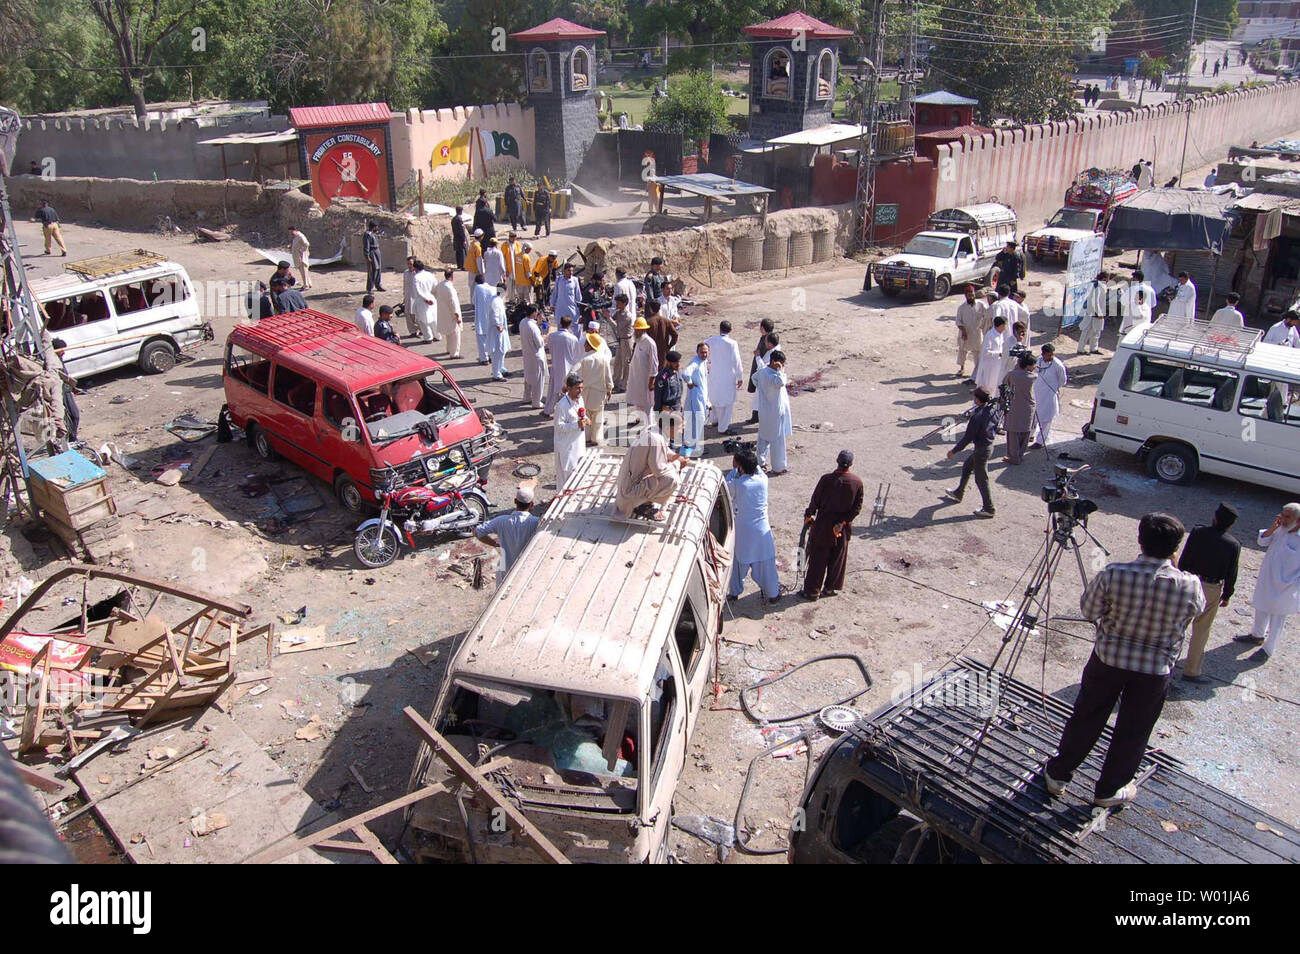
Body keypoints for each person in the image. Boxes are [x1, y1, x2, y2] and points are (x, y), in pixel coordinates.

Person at [1043, 514, 1204, 807]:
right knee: (1134, 728)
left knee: (1087, 716)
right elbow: (1195, 612)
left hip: (1108, 661)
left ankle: (1058, 774)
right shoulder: (1189, 584)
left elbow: (1089, 611)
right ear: (1175, 548)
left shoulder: (1114, 573)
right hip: (1154, 670)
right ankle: (1109, 789)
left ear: (1140, 541)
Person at [1176, 503, 1241, 683]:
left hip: (1190, 581)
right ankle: (1192, 670)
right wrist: (1227, 594)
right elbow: (1231, 572)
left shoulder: (1198, 533)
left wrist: (1181, 578)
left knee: (1178, 624)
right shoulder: (1233, 545)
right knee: (1201, 630)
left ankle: (1167, 660)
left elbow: (1185, 558)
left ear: (1215, 518)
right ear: (1230, 525)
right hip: (1212, 588)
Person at [1235, 503, 1300, 659]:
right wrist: (1273, 527)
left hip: (1287, 586)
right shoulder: (1279, 529)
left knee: (1278, 618)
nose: (1283, 519)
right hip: (1268, 578)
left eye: (1287, 517)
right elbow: (1262, 541)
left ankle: (1268, 650)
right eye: (1282, 515)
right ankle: (1257, 635)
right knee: (1261, 605)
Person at [800, 449, 865, 601]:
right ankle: (829, 588)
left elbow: (815, 500)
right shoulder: (857, 482)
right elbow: (857, 508)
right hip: (841, 528)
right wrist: (842, 523)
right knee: (837, 558)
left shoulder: (826, 479)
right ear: (851, 464)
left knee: (818, 559)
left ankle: (812, 591)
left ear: (837, 461)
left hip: (823, 524)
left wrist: (809, 515)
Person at [726, 450, 781, 605]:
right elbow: (755, 468)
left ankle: (734, 592)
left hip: (743, 531)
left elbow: (726, 483)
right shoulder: (763, 479)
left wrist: (735, 468)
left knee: (737, 563)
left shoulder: (737, 484)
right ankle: (773, 594)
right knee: (766, 565)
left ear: (741, 467)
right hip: (762, 530)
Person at [944, 386, 997, 518]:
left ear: (977, 400)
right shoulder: (993, 409)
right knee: (967, 466)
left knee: (981, 479)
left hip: (981, 450)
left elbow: (967, 438)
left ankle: (989, 508)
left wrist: (954, 451)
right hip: (989, 446)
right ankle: (959, 492)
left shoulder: (977, 417)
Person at [615, 422, 683, 521]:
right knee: (672, 480)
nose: (681, 431)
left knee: (670, 473)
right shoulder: (656, 439)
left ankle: (642, 502)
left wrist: (675, 457)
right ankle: (643, 506)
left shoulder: (652, 430)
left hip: (626, 486)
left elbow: (663, 451)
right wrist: (678, 464)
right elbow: (659, 470)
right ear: (669, 427)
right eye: (680, 427)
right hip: (629, 493)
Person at [475, 485, 540, 587]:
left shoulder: (502, 521)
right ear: (532, 504)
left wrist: (494, 543)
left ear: (515, 501)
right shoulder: (537, 523)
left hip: (505, 569)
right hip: (526, 571)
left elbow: (477, 532)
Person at [752, 349, 792, 475]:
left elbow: (754, 379)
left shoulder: (762, 372)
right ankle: (778, 467)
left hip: (764, 411)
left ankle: (760, 462)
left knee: (763, 438)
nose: (783, 366)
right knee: (777, 441)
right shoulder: (774, 376)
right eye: (781, 364)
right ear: (775, 362)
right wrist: (780, 370)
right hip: (774, 413)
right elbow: (781, 382)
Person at [704, 321, 744, 435]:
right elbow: (737, 361)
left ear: (719, 329)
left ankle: (714, 420)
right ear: (730, 330)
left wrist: (708, 362)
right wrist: (739, 376)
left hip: (714, 374)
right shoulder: (732, 343)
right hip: (727, 376)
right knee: (727, 404)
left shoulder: (711, 340)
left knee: (714, 398)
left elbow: (701, 349)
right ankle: (723, 428)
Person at [1001, 352, 1038, 464]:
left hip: (1014, 405)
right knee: (1025, 432)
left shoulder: (1012, 374)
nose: (1035, 367)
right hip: (1028, 406)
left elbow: (1004, 384)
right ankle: (1020, 455)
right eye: (1033, 365)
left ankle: (1013, 457)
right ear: (1028, 366)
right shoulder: (1033, 376)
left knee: (1013, 433)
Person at [578, 332, 613, 445]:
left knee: (586, 415)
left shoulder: (584, 359)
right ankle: (596, 439)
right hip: (599, 393)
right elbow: (608, 377)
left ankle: (586, 437)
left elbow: (575, 375)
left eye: (586, 343)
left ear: (590, 345)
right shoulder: (604, 359)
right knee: (598, 417)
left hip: (585, 393)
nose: (584, 346)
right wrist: (609, 389)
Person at [553, 373, 586, 491]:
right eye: (577, 388)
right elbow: (559, 427)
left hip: (579, 444)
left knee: (578, 473)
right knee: (566, 477)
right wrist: (576, 425)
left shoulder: (580, 400)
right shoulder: (561, 405)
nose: (580, 391)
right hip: (567, 447)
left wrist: (586, 419)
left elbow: (582, 415)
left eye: (582, 388)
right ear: (569, 388)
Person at [544, 315, 583, 415]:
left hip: (556, 365)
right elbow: (577, 354)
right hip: (568, 367)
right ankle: (567, 412)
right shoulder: (573, 338)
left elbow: (549, 349)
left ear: (560, 323)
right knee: (568, 391)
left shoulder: (552, 336)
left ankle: (548, 410)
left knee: (553, 391)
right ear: (569, 325)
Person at [1032, 344, 1067, 447]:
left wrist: (1053, 387)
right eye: (1048, 355)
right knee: (1034, 415)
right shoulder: (1038, 361)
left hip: (1049, 394)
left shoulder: (1058, 365)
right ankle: (1030, 435)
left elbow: (1062, 380)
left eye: (1052, 354)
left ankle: (1041, 441)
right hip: (1037, 392)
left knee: (1046, 418)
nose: (1051, 357)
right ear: (1043, 354)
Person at [627, 316, 659, 423]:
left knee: (647, 405)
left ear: (643, 329)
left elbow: (654, 364)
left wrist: (651, 382)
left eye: (638, 329)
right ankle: (640, 421)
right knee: (638, 402)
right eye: (635, 329)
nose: (635, 331)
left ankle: (649, 427)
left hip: (646, 380)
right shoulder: (638, 341)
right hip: (636, 377)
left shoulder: (650, 343)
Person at [680, 343, 709, 457]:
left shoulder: (703, 362)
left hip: (701, 397)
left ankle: (696, 447)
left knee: (698, 421)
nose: (704, 354)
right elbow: (686, 373)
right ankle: (693, 448)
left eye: (706, 352)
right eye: (702, 352)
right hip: (696, 397)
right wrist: (690, 383)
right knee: (697, 421)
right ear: (697, 352)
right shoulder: (695, 363)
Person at [519, 304, 549, 410]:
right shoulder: (533, 327)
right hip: (536, 355)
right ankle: (536, 401)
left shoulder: (523, 322)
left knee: (528, 376)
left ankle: (527, 397)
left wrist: (539, 322)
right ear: (533, 313)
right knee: (538, 379)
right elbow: (539, 342)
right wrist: (544, 337)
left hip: (527, 354)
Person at [955, 285, 987, 381]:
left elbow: (987, 315)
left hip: (977, 333)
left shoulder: (981, 305)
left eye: (972, 295)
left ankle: (977, 371)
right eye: (969, 296)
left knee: (977, 352)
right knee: (962, 351)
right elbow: (958, 322)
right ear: (966, 296)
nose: (971, 297)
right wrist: (963, 331)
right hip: (965, 333)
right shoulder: (961, 308)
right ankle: (962, 368)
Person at [974, 315, 1008, 396]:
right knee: (988, 385)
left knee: (995, 385)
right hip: (989, 366)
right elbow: (986, 352)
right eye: (1005, 325)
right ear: (1001, 325)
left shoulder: (1000, 334)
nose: (1006, 327)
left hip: (997, 364)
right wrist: (999, 354)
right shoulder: (990, 335)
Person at [654, 349, 684, 437]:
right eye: (675, 362)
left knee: (676, 433)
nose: (678, 364)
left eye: (678, 362)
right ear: (668, 362)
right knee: (666, 433)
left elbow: (679, 389)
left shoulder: (677, 372)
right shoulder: (662, 377)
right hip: (666, 409)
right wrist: (658, 412)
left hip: (676, 407)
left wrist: (680, 403)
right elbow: (658, 396)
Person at [1079, 271, 1110, 354]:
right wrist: (1099, 312)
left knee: (1096, 332)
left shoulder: (1101, 285)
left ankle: (1093, 348)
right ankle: (1080, 349)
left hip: (1097, 313)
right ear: (1104, 278)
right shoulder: (1098, 286)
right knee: (1086, 331)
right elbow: (1094, 301)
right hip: (1093, 313)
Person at [611, 292, 636, 391]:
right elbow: (612, 320)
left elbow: (618, 327)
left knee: (626, 364)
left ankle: (625, 385)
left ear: (624, 303)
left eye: (618, 303)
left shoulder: (628, 316)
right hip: (621, 341)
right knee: (617, 363)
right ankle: (615, 383)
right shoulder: (618, 313)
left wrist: (608, 318)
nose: (617, 305)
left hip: (627, 341)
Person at [435, 267, 462, 358]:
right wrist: (457, 315)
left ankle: (449, 349)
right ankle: (454, 353)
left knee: (449, 333)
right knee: (455, 334)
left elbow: (434, 293)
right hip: (451, 313)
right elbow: (453, 303)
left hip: (444, 312)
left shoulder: (440, 285)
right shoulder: (449, 288)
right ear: (452, 276)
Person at [645, 298, 678, 372]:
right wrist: (669, 346)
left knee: (651, 372)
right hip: (663, 351)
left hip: (651, 351)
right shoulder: (666, 321)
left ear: (650, 308)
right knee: (662, 372)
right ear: (659, 308)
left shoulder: (648, 322)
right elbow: (675, 334)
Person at [471, 273, 497, 364]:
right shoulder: (492, 288)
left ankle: (484, 359)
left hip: (481, 318)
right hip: (491, 317)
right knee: (491, 338)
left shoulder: (478, 288)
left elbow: (473, 301)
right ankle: (491, 356)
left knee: (482, 339)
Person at [411, 260, 438, 344]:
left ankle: (428, 338)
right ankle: (437, 335)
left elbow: (417, 291)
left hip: (422, 300)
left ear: (415, 268)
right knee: (433, 318)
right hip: (431, 298)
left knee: (423, 320)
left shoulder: (416, 277)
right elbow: (435, 286)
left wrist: (426, 299)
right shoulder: (430, 275)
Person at [488, 283, 511, 381]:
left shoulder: (499, 300)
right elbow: (495, 315)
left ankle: (501, 368)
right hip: (497, 331)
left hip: (501, 330)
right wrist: (498, 326)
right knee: (497, 352)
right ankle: (496, 374)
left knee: (502, 351)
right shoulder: (496, 301)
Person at [1122, 269, 1154, 334]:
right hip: (1145, 319)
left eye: (1133, 278)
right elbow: (1153, 304)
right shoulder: (1151, 289)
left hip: (1132, 320)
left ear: (1136, 279)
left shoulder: (1132, 289)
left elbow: (1123, 302)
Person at [511, 241, 534, 305]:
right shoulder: (526, 257)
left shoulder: (517, 256)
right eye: (529, 249)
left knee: (520, 300)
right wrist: (531, 280)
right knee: (528, 300)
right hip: (526, 282)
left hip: (518, 282)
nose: (530, 251)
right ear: (526, 248)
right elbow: (528, 271)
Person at [363, 221, 384, 293]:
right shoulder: (367, 234)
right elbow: (366, 246)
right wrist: (367, 256)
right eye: (376, 227)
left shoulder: (374, 234)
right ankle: (370, 288)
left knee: (379, 269)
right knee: (373, 270)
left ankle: (378, 285)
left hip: (377, 251)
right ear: (373, 227)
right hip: (372, 252)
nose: (377, 228)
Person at [451, 205, 467, 270]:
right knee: (462, 252)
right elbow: (461, 230)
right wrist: (464, 240)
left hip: (456, 237)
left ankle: (459, 265)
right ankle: (463, 266)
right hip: (460, 238)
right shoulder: (459, 219)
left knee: (458, 252)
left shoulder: (453, 219)